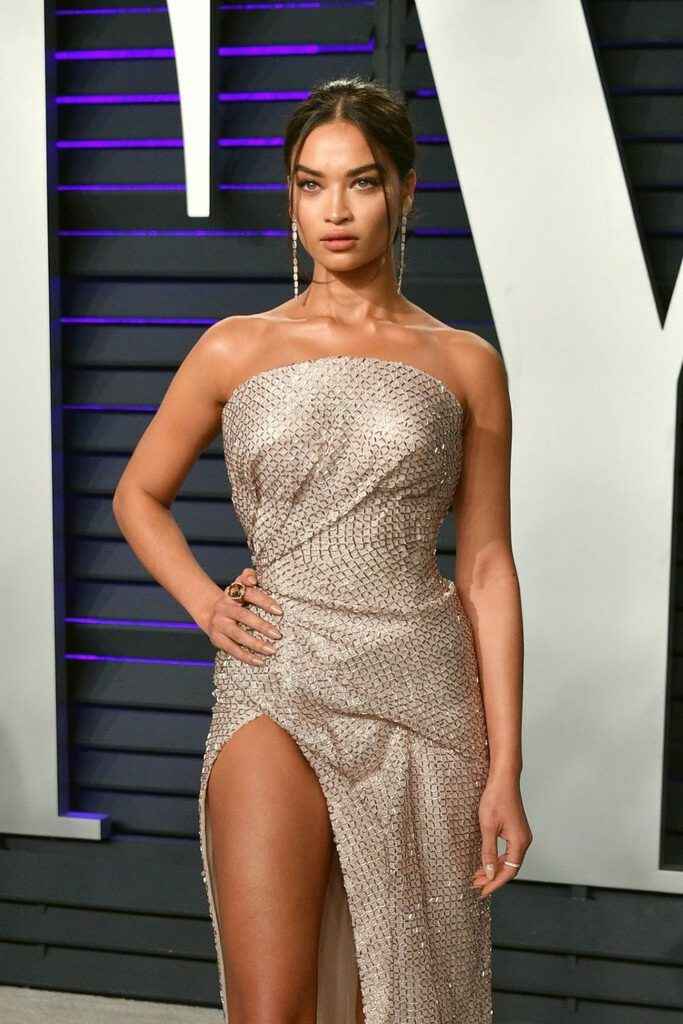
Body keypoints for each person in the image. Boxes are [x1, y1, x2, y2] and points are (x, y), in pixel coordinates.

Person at [112, 75, 532, 1024]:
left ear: (405, 191)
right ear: (291, 198)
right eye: (311, 184)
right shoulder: (233, 347)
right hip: (276, 667)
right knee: (270, 1011)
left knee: (409, 999)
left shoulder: (465, 362)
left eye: (360, 182)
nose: (334, 210)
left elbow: (486, 566)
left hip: (419, 689)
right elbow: (138, 494)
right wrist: (205, 603)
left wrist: (505, 766)